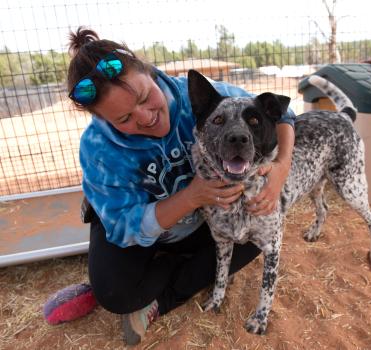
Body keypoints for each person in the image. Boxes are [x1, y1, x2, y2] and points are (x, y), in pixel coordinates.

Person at [44, 26, 295, 346]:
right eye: (124, 119)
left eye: (146, 97)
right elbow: (123, 227)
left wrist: (281, 167)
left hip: (204, 221)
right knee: (114, 294)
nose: (146, 117)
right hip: (145, 227)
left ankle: (161, 299)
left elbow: (283, 114)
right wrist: (191, 197)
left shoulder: (200, 95)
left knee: (255, 236)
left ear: (150, 73)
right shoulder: (98, 148)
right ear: (106, 121)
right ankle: (162, 267)